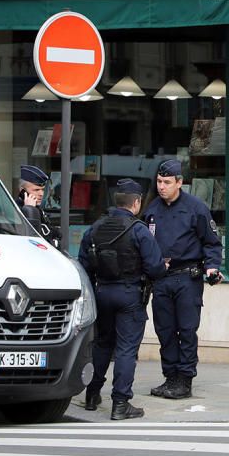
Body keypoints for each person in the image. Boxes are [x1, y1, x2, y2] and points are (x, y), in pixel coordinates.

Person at [79, 178, 167, 420]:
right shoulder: (138, 230)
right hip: (129, 294)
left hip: (102, 293)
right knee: (126, 349)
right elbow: (156, 268)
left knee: (102, 344)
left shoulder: (95, 228)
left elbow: (84, 263)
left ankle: (92, 395)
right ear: (136, 203)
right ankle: (120, 403)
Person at [143, 159, 223, 400]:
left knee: (186, 330)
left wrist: (212, 267)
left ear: (180, 182)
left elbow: (211, 242)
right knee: (165, 331)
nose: (161, 186)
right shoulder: (152, 209)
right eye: (159, 181)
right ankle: (170, 377)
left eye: (167, 182)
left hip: (187, 277)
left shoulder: (196, 208)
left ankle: (185, 379)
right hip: (162, 278)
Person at [16, 164, 60, 249]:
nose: (41, 194)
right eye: (36, 190)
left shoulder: (38, 209)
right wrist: (29, 209)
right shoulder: (17, 210)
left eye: (42, 189)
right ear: (22, 191)